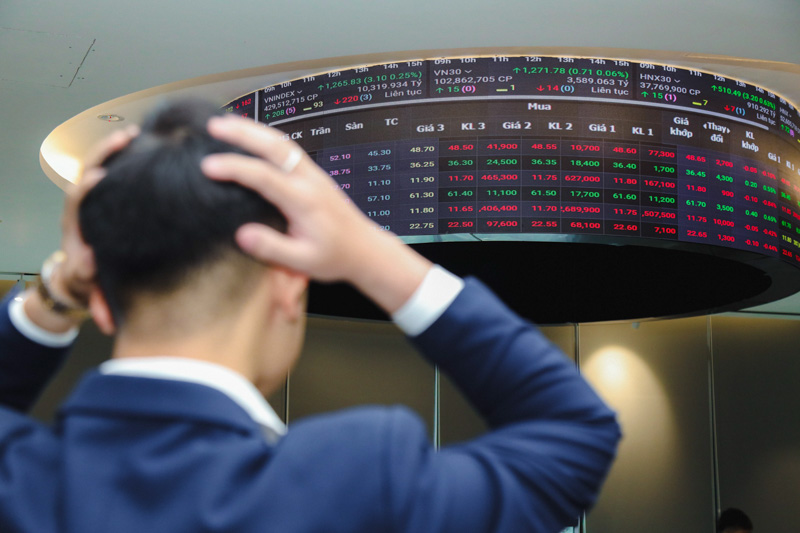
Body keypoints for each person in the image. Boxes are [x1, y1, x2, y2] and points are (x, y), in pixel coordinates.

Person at [0, 99, 621, 532]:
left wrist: (51, 293)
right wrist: (369, 250)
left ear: (98, 297)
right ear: (288, 287)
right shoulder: (362, 478)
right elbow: (575, 434)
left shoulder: (19, 478)